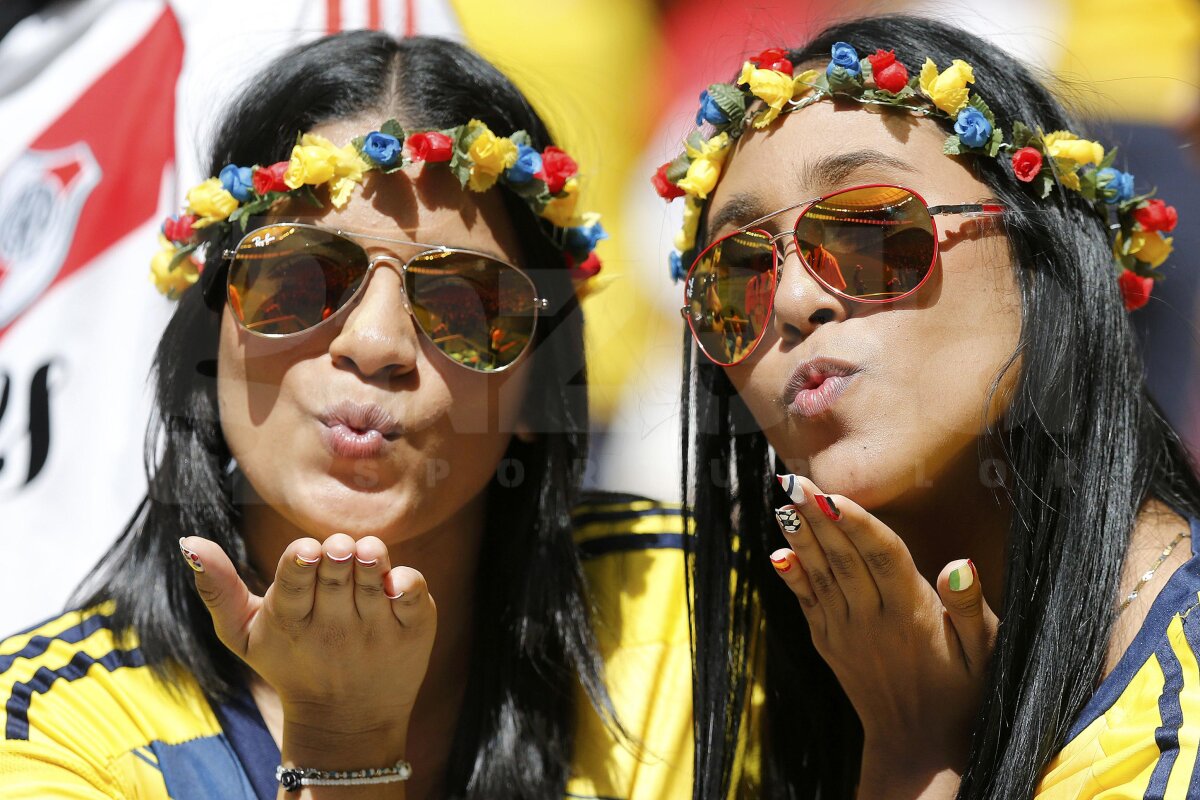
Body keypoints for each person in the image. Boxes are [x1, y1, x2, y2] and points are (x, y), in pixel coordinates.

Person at [0, 32, 691, 800]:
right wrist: (342, 744)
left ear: (539, 385)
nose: (375, 344)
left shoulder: (695, 613)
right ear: (207, 341)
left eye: (464, 303)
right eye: (298, 278)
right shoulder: (41, 727)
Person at [655, 15, 1200, 799]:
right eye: (737, 276)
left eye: (871, 230)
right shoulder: (685, 673)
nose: (796, 300)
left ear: (1043, 258)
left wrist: (916, 763)